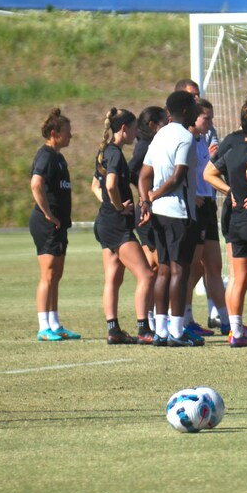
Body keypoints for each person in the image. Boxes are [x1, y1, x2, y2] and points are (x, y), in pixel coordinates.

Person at [205, 100, 247, 347]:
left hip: (235, 221)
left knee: (239, 278)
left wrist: (230, 191)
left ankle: (236, 332)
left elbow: (208, 173)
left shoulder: (231, 150)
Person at [139, 91, 203, 347]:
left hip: (158, 214)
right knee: (180, 270)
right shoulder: (185, 137)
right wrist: (153, 195)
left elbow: (144, 174)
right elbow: (178, 178)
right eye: (194, 107)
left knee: (163, 270)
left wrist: (146, 201)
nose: (198, 111)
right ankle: (177, 331)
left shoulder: (159, 135)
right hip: (179, 212)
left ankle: (161, 331)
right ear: (186, 111)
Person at [92, 108, 155, 345]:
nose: (136, 133)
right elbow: (109, 186)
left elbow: (94, 187)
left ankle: (113, 329)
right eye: (133, 128)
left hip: (104, 222)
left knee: (113, 278)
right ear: (123, 129)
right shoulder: (115, 154)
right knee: (146, 274)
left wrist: (109, 205)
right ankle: (143, 329)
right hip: (117, 225)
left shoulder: (103, 152)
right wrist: (118, 207)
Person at [29, 108, 80, 341]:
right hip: (46, 224)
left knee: (56, 274)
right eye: (67, 132)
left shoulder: (58, 157)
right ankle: (43, 327)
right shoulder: (45, 156)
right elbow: (35, 184)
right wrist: (47, 213)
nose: (71, 136)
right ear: (53, 133)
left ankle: (55, 323)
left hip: (59, 224)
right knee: (48, 274)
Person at [183, 99, 228, 338]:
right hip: (194, 207)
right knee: (191, 267)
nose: (210, 123)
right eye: (206, 118)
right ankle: (185, 317)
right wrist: (191, 196)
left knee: (214, 266)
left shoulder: (204, 139)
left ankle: (225, 319)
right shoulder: (186, 139)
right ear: (195, 117)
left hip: (208, 205)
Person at [127, 106, 168, 340]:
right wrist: (146, 196)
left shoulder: (150, 145)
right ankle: (151, 320)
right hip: (147, 214)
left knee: (155, 269)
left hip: (148, 211)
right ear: (153, 125)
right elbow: (133, 171)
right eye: (163, 123)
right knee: (156, 268)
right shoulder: (145, 147)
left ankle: (153, 319)